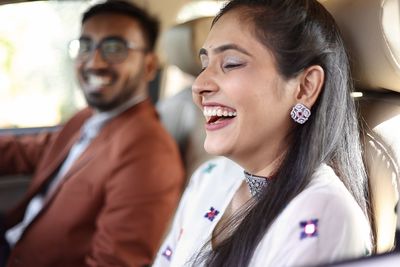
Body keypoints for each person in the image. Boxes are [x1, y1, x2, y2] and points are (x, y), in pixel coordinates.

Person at [153, 0, 374, 266]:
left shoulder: (322, 216)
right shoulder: (208, 178)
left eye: (231, 63)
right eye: (204, 65)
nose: (199, 85)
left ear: (305, 87)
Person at [0, 1, 185, 266]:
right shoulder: (88, 118)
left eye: (114, 48)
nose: (94, 62)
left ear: (149, 66)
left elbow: (113, 261)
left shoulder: (148, 153)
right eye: (86, 46)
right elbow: (28, 151)